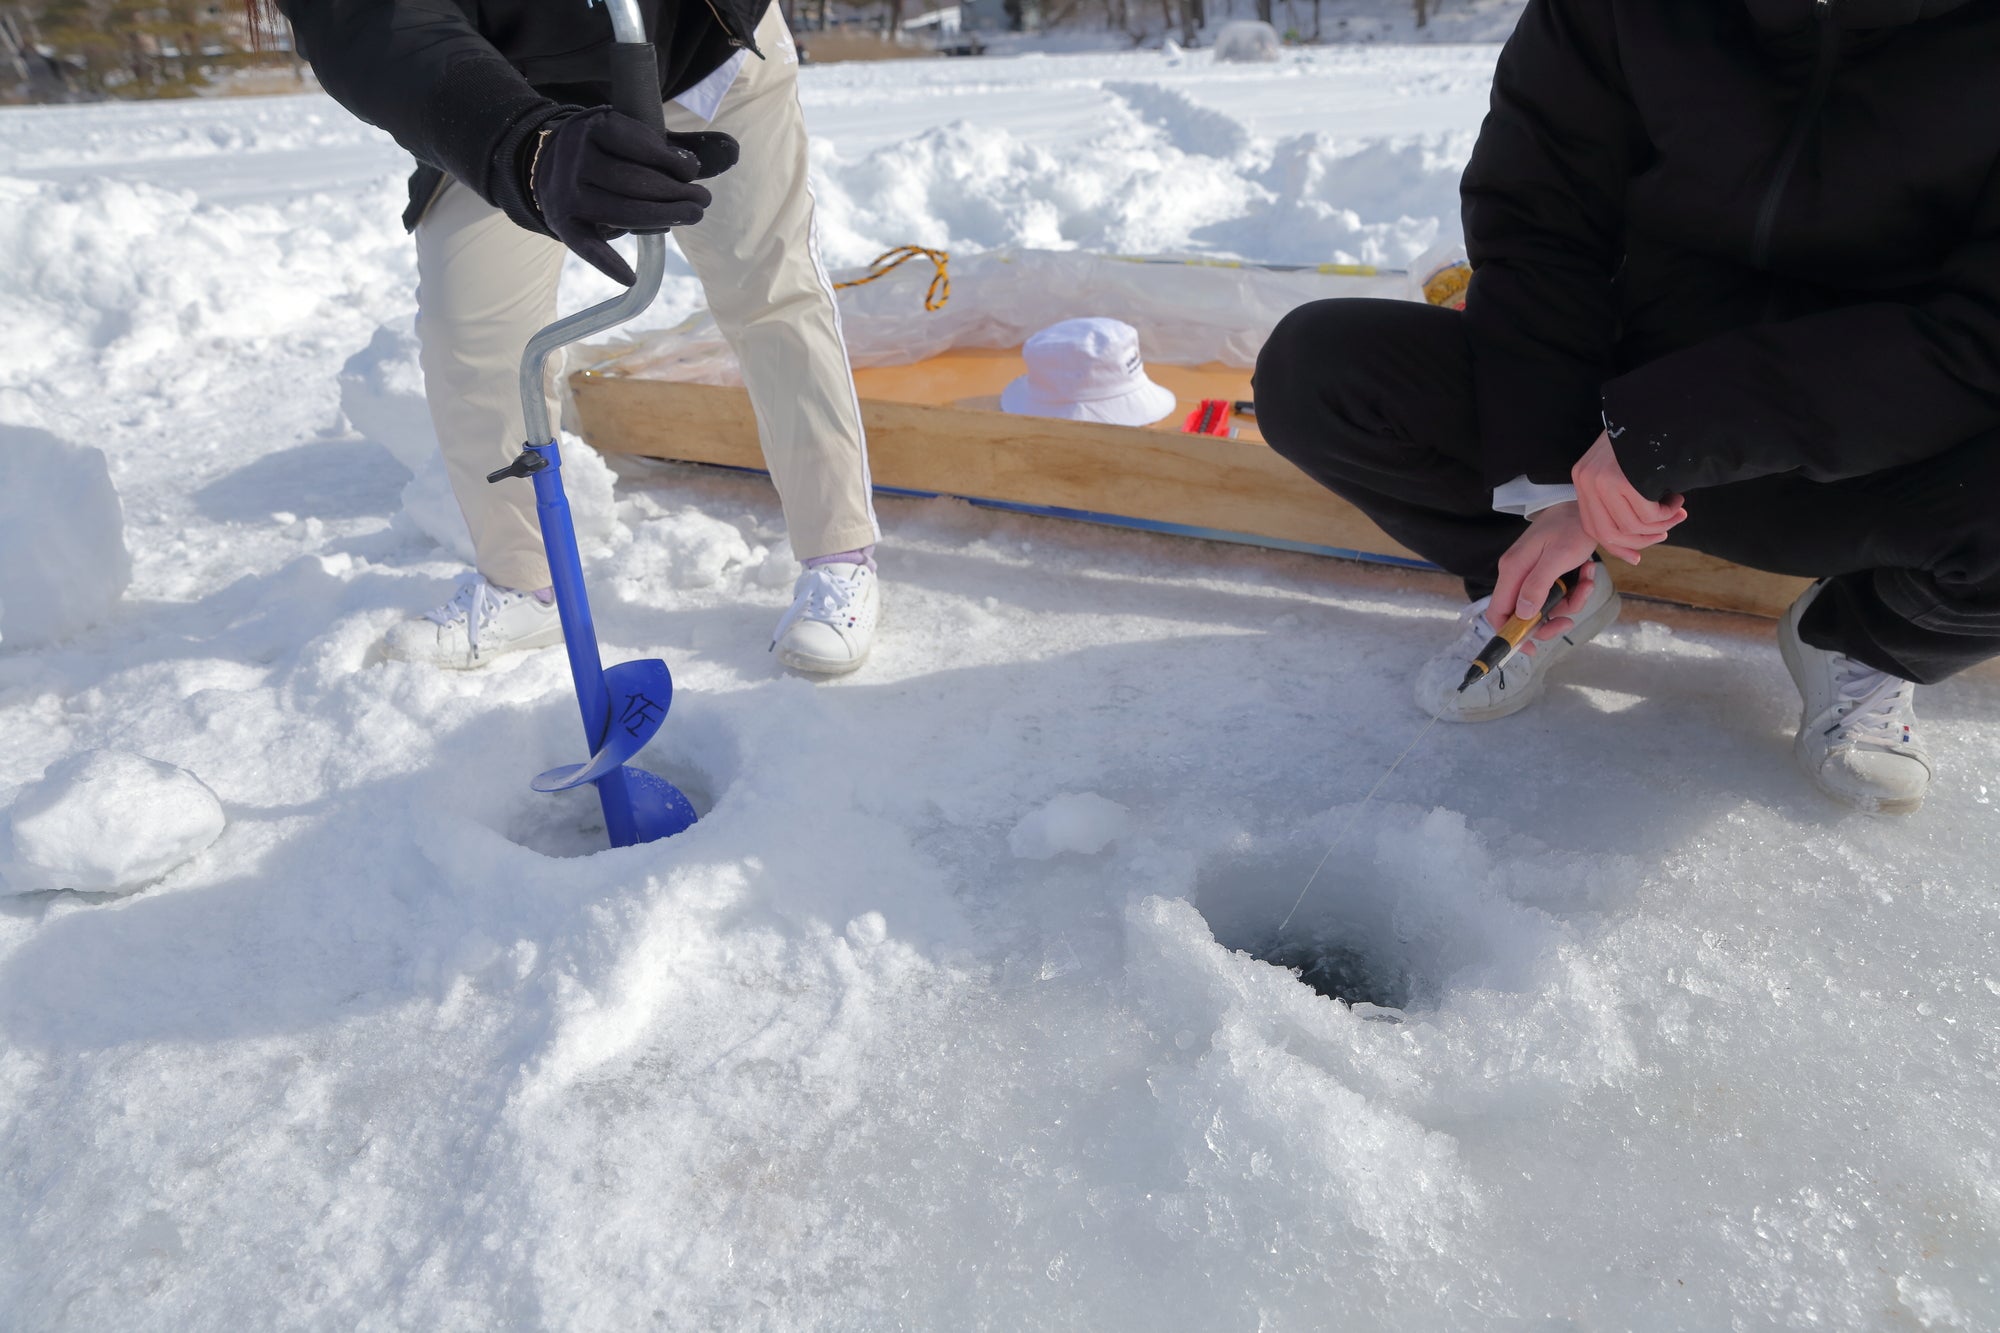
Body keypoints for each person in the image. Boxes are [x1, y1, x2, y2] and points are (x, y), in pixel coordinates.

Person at [1253, 0, 2000, 815]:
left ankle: (1860, 637)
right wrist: (1549, 481)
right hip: (1596, 410)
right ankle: (1546, 583)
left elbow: (1978, 335)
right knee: (1316, 370)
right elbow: (1540, 219)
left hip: (1851, 454)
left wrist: (1671, 431)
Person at [272, 0, 882, 675]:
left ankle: (839, 554)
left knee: (770, 288)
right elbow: (375, 24)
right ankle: (522, 582)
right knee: (472, 333)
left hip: (701, 52)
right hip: (501, 90)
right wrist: (525, 147)